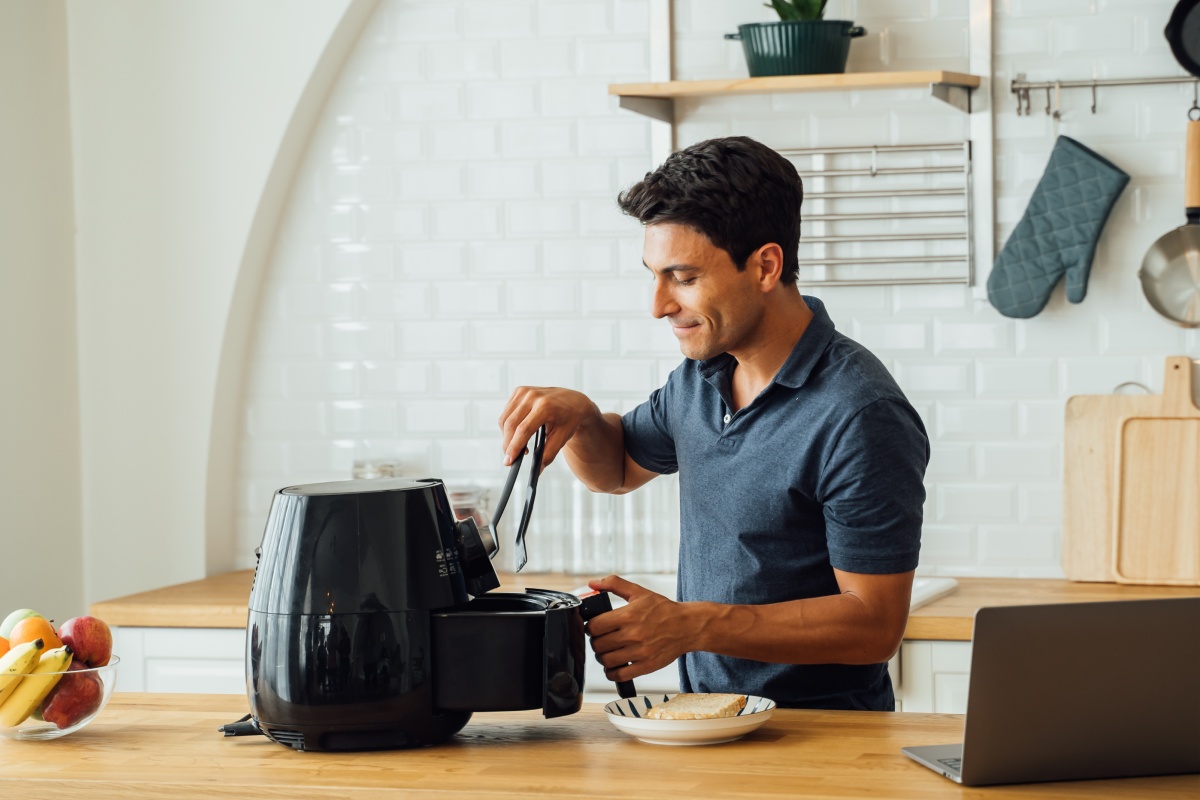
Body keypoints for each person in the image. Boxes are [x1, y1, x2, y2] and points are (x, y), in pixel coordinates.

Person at [498, 136, 929, 711]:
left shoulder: (860, 414)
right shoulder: (700, 377)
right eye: (654, 275)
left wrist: (693, 625)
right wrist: (580, 418)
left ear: (765, 266)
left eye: (683, 276)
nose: (658, 305)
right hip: (710, 723)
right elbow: (617, 469)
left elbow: (874, 625)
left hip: (820, 738)